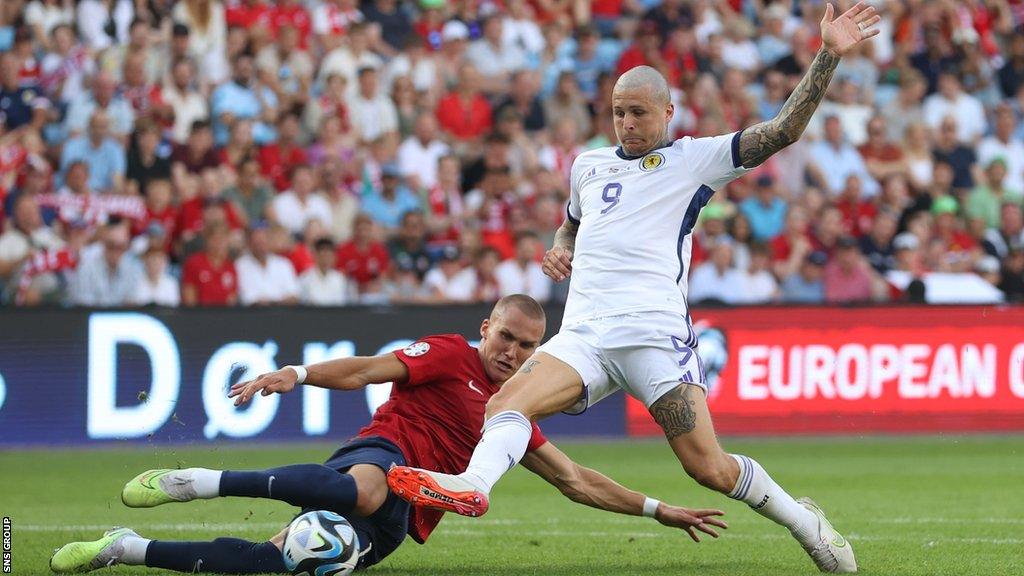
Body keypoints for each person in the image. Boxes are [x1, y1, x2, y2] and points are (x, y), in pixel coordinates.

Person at [387, 4, 881, 574]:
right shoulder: (588, 165)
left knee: (709, 470)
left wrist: (826, 55)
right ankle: (474, 485)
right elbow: (572, 220)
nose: (627, 123)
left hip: (654, 336)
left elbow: (782, 131)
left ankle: (805, 523)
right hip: (585, 335)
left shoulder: (694, 160)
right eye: (619, 112)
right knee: (505, 402)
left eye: (639, 113)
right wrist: (561, 246)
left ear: (667, 112)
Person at [49, 296, 727, 574]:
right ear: (486, 328)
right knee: (368, 488)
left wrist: (656, 509)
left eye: (527, 347)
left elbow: (577, 480)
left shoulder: (515, 414)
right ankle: (191, 482)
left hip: (404, 518)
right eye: (505, 338)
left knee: (275, 562)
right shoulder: (448, 354)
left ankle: (125, 549)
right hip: (382, 454)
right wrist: (298, 371)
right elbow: (371, 367)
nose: (512, 354)